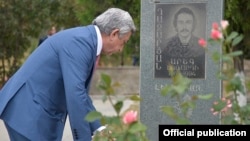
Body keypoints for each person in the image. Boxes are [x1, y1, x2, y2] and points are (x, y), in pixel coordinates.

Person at [0, 8, 136, 141]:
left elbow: (80, 94)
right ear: (114, 33)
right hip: (28, 113)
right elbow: (75, 95)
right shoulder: (81, 43)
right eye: (123, 43)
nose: (120, 49)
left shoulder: (86, 40)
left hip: (32, 112)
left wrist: (99, 128)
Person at [161, 7, 205, 78]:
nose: (184, 27)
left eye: (188, 22)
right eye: (181, 22)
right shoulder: (166, 47)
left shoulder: (202, 46)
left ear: (193, 25)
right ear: (176, 25)